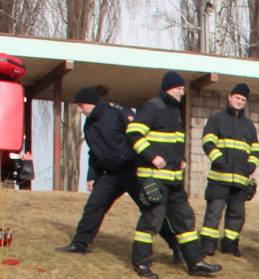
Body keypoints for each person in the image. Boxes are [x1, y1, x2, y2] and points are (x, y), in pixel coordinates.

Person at [55, 87, 180, 260]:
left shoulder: (118, 113)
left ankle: (177, 246)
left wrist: (149, 160)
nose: (79, 109)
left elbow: (138, 137)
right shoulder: (89, 126)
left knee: (152, 210)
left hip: (133, 171)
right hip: (111, 174)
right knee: (93, 206)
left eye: (81, 105)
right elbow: (94, 152)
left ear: (90, 102)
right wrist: (92, 175)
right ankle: (80, 243)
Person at [127, 71, 219, 279]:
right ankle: (141, 264)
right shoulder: (152, 107)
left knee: (185, 220)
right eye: (179, 89)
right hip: (154, 177)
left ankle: (195, 262)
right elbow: (133, 133)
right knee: (151, 222)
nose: (182, 93)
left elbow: (173, 142)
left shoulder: (174, 111)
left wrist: (181, 159)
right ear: (169, 87)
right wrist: (152, 156)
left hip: (174, 179)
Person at [200, 82, 259, 257]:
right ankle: (208, 244)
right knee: (214, 213)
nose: (240, 102)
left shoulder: (249, 125)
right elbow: (207, 142)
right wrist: (219, 160)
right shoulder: (216, 119)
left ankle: (230, 244)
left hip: (240, 180)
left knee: (237, 215)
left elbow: (255, 148)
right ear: (229, 97)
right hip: (219, 178)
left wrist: (252, 165)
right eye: (237, 98)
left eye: (243, 99)